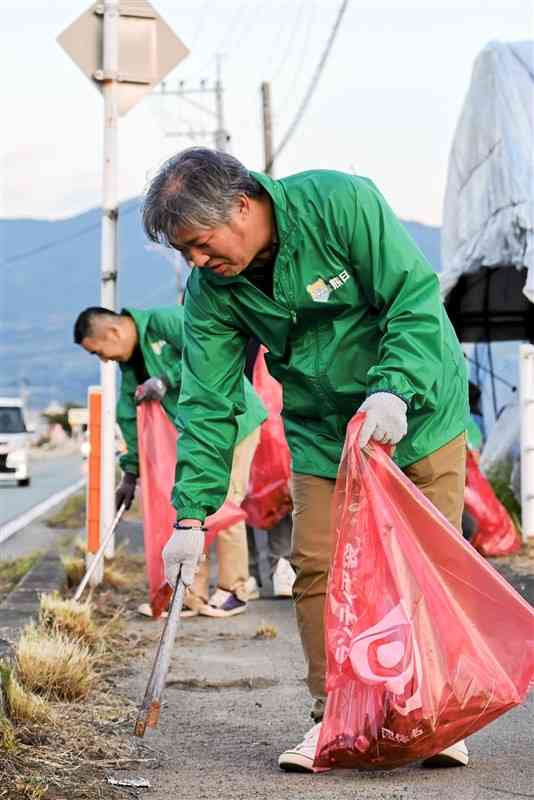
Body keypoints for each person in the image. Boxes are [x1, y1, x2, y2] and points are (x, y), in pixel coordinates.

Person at [142, 148, 470, 772]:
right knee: (316, 563)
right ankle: (334, 716)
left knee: (426, 561)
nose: (197, 262)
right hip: (323, 426)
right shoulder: (212, 292)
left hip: (417, 408)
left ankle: (436, 712)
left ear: (243, 206)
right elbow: (209, 401)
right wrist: (190, 516)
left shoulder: (339, 203)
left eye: (200, 244)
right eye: (185, 253)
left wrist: (395, 387)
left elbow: (411, 298)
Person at [73, 304, 267, 618]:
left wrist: (165, 379)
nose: (104, 359)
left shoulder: (164, 322)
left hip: (234, 419)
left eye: (99, 351)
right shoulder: (130, 364)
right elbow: (128, 412)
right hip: (195, 434)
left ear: (113, 332)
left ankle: (235, 589)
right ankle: (192, 593)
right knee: (192, 506)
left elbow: (208, 352)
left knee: (225, 503)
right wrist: (131, 473)